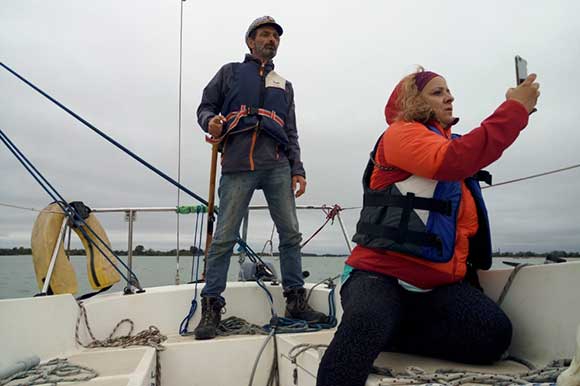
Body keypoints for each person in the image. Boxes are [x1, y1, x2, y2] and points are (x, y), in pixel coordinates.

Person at [316, 68, 540, 386]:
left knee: (493, 335)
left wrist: (516, 108)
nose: (449, 97)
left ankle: (392, 331)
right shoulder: (401, 135)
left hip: (433, 288)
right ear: (413, 101)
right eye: (437, 92)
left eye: (448, 91)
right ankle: (380, 326)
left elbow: (477, 146)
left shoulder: (451, 143)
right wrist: (514, 111)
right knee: (366, 322)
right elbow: (454, 160)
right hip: (378, 276)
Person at [194, 16, 327, 340]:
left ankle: (295, 301)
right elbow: (205, 108)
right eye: (265, 34)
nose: (271, 40)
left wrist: (298, 169)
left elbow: (291, 131)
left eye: (275, 36)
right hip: (238, 164)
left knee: (290, 234)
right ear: (250, 41)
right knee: (224, 237)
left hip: (277, 165)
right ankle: (211, 307)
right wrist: (211, 121)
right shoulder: (229, 72)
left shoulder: (285, 86)